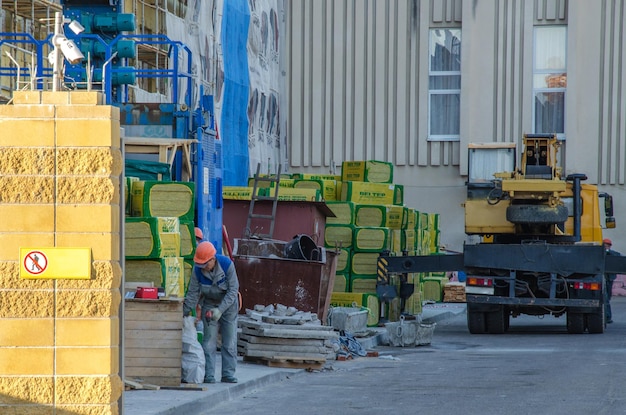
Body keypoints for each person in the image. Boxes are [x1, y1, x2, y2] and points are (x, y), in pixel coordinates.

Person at [183, 241, 240, 383]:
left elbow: (233, 290)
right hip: (209, 303)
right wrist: (183, 314)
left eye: (205, 264)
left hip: (228, 306)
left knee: (229, 341)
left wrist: (220, 310)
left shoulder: (227, 265)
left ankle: (228, 374)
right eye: (200, 265)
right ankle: (209, 375)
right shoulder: (198, 270)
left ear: (213, 259)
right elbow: (192, 293)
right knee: (209, 342)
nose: (203, 268)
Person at [603, 238, 621, 324]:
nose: (606, 246)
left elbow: (618, 259)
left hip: (609, 278)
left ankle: (607, 316)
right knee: (605, 298)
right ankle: (607, 316)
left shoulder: (613, 254)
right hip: (604, 279)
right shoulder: (599, 254)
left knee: (608, 297)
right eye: (604, 244)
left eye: (607, 244)